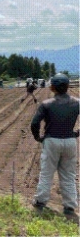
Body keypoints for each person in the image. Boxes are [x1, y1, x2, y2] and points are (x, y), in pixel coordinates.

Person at [30, 73, 79, 223]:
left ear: (52, 87)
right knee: (69, 174)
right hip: (70, 141)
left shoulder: (46, 104)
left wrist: (38, 137)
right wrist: (77, 133)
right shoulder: (77, 103)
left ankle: (40, 202)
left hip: (51, 140)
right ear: (67, 86)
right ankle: (70, 207)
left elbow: (34, 124)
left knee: (47, 173)